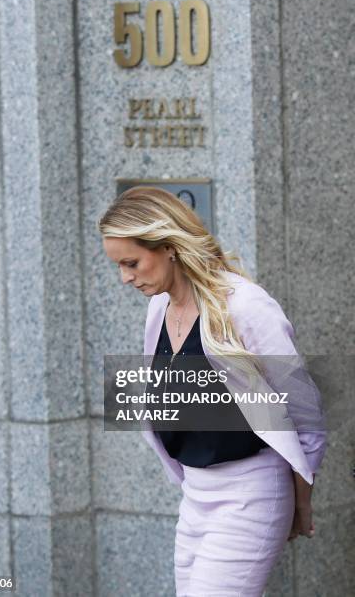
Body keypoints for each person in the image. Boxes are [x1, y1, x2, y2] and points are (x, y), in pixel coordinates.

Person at [98, 186, 327, 596]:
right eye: (119, 266)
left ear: (169, 246)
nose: (125, 278)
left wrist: (301, 500)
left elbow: (305, 410)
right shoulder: (159, 308)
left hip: (250, 493)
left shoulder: (245, 306)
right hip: (196, 495)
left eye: (131, 263)